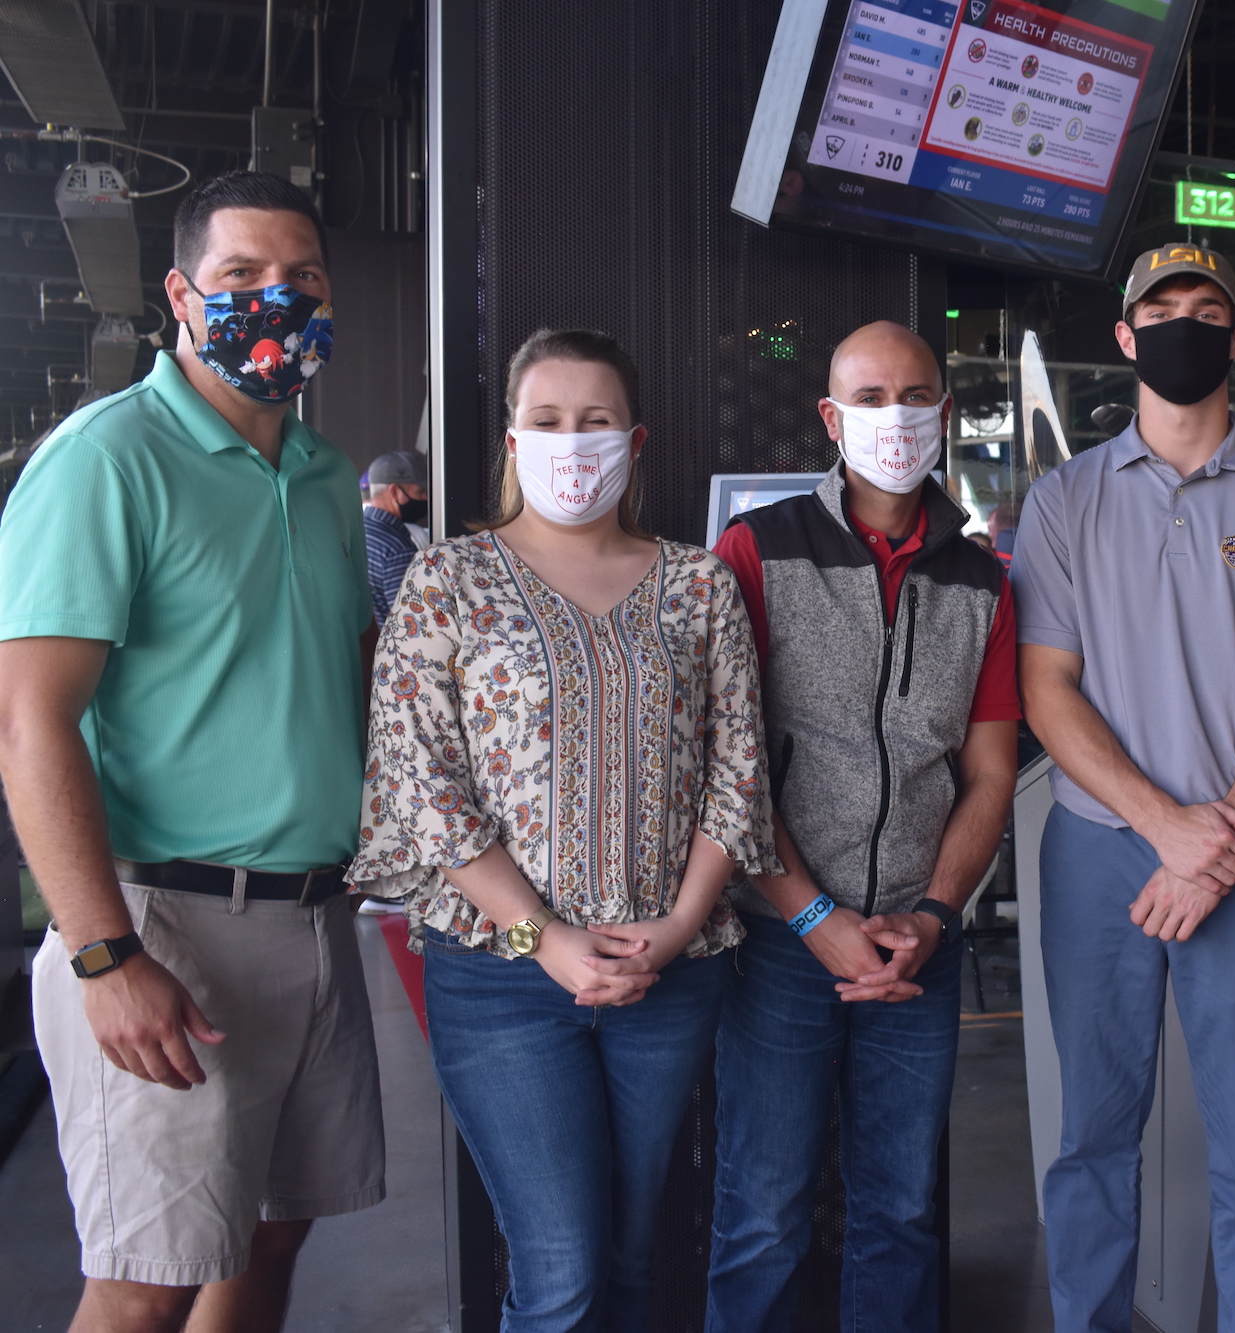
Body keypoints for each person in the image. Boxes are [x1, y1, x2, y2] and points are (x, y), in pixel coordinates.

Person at [0, 170, 379, 1332]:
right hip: (161, 920)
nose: (277, 296)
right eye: (241, 274)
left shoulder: (326, 478)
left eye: (301, 276)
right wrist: (102, 953)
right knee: (144, 1281)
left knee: (270, 1233)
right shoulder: (107, 458)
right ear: (180, 295)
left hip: (315, 915)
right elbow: (28, 720)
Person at [348, 329, 779, 1332]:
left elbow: (739, 768)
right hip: (500, 977)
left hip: (666, 972)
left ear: (633, 440)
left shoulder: (698, 583)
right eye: (547, 421)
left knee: (631, 1256)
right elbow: (421, 776)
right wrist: (542, 936)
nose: (572, 442)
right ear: (512, 440)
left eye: (595, 421)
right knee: (563, 1272)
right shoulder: (446, 579)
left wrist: (677, 928)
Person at [1013, 244, 1235, 1333]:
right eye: (1159, 310)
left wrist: (1214, 843)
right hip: (1100, 848)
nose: (1182, 326)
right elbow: (1045, 689)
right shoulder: (1064, 499)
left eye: (1206, 311)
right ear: (1125, 336)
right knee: (1091, 1137)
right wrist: (1165, 827)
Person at [706, 321, 1018, 1332]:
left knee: (902, 1208)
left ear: (946, 412)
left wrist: (932, 917)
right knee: (762, 1211)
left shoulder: (982, 582)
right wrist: (811, 916)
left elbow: (988, 773)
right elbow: (729, 760)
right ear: (831, 419)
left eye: (916, 395)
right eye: (870, 398)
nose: (896, 417)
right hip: (777, 937)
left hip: (918, 943)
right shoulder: (758, 551)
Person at [361, 449, 429, 625]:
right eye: (421, 492)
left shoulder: (360, 531)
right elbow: (411, 623)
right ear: (394, 492)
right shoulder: (397, 549)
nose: (426, 498)